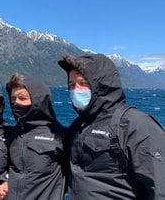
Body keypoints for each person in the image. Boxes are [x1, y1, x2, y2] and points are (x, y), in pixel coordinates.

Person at [58, 53, 165, 199]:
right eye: (71, 85)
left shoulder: (136, 125)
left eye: (83, 83)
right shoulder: (77, 127)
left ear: (101, 85)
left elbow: (160, 188)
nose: (76, 90)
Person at [5, 73, 66, 200]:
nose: (16, 103)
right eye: (13, 99)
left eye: (22, 98)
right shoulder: (12, 134)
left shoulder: (60, 135)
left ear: (38, 100)